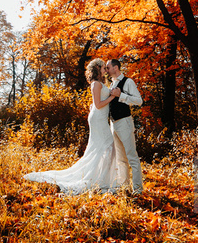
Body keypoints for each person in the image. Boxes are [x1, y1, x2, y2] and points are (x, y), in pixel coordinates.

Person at [23, 58, 125, 194]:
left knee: (102, 147)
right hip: (98, 118)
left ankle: (102, 178)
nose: (105, 70)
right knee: (107, 146)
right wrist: (113, 96)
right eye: (103, 67)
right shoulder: (95, 84)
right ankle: (98, 179)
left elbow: (96, 103)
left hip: (100, 117)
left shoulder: (100, 83)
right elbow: (99, 105)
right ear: (97, 68)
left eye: (106, 68)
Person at [106, 58, 144, 195]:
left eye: (108, 67)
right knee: (121, 159)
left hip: (125, 123)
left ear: (115, 68)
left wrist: (121, 95)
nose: (106, 70)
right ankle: (125, 187)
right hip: (113, 124)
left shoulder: (128, 82)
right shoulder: (111, 84)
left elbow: (139, 101)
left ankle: (138, 190)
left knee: (132, 157)